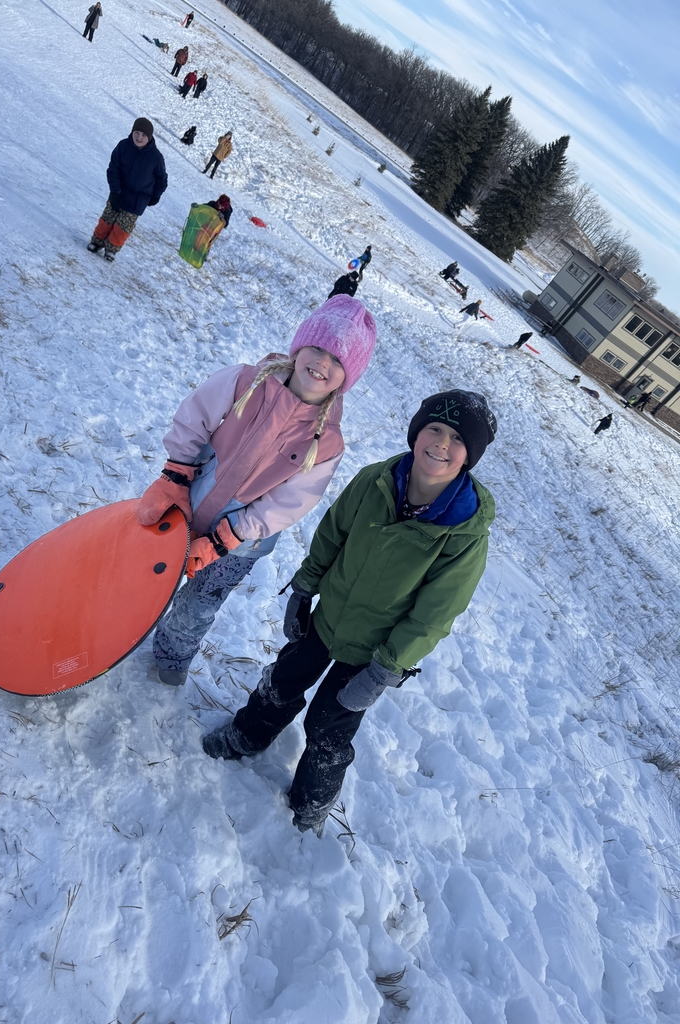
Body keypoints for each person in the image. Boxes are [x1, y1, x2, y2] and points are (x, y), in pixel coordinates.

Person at [203, 390, 497, 835]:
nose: (442, 443)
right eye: (435, 428)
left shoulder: (463, 530)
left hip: (373, 651)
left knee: (330, 726)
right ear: (417, 433)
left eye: (457, 439)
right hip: (326, 618)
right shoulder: (376, 480)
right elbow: (332, 534)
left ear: (469, 456)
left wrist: (386, 669)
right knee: (281, 681)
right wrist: (305, 586)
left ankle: (310, 805)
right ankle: (247, 734)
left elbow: (436, 613)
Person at [137, 296, 377, 687]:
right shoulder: (247, 381)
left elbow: (289, 502)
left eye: (337, 360)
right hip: (186, 499)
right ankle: (123, 622)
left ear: (348, 377)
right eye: (317, 348)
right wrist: (175, 474)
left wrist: (228, 537)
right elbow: (195, 415)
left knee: (200, 602)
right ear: (299, 346)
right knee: (147, 568)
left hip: (238, 543)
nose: (322, 363)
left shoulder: (327, 443)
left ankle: (172, 653)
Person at [87, 118, 167, 262]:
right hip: (119, 192)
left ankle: (111, 249)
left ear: (149, 137)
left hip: (138, 199)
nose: (139, 137)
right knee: (107, 218)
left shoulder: (155, 157)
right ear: (132, 132)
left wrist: (156, 195)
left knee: (123, 226)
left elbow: (162, 179)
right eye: (137, 133)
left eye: (144, 135)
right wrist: (114, 191)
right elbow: (113, 169)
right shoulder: (123, 146)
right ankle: (97, 241)